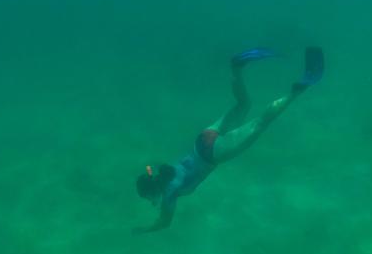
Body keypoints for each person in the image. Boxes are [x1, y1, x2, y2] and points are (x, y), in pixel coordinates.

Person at [134, 47, 324, 234]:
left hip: (212, 154)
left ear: (153, 191)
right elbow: (151, 169)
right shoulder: (160, 172)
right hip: (202, 140)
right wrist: (151, 184)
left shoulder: (169, 195)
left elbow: (164, 223)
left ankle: (296, 91)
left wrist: (144, 230)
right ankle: (237, 68)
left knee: (260, 124)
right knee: (243, 104)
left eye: (148, 197)